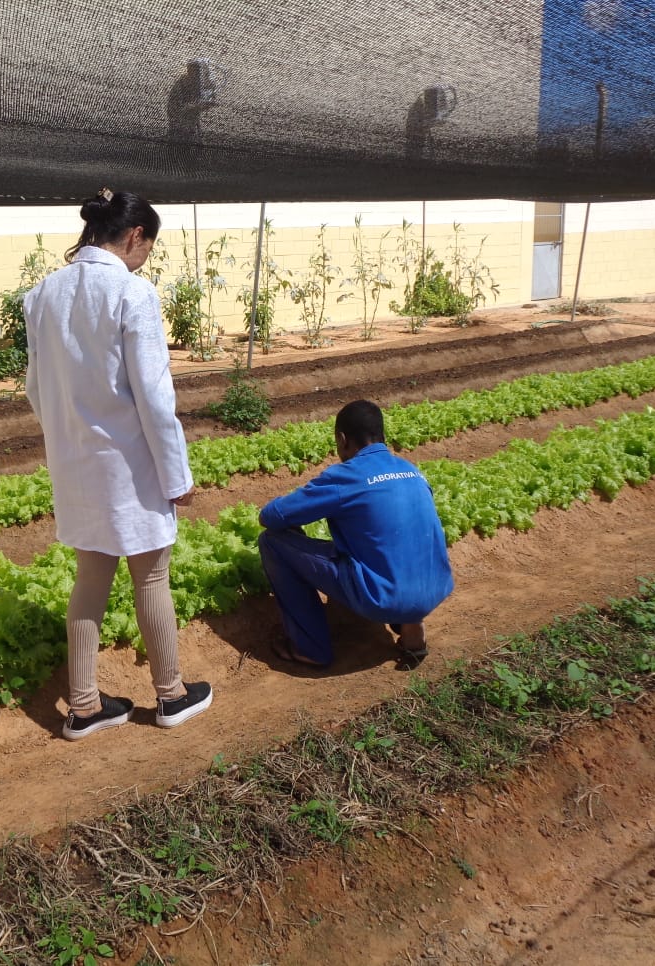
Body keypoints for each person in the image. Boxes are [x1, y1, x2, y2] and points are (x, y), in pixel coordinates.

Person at [24, 188, 213, 740]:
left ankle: (83, 706)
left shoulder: (42, 295)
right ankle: (172, 695)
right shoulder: (133, 294)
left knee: (90, 577)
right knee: (151, 574)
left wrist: (67, 438)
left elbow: (37, 389)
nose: (145, 258)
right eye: (147, 247)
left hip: (75, 463)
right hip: (129, 465)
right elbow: (155, 397)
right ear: (134, 236)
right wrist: (177, 476)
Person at [257, 399, 453, 668]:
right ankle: (412, 628)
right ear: (382, 435)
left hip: (383, 598)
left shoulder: (346, 477)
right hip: (435, 589)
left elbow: (271, 516)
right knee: (396, 543)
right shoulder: (412, 470)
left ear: (342, 439)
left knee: (272, 542)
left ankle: (310, 649)